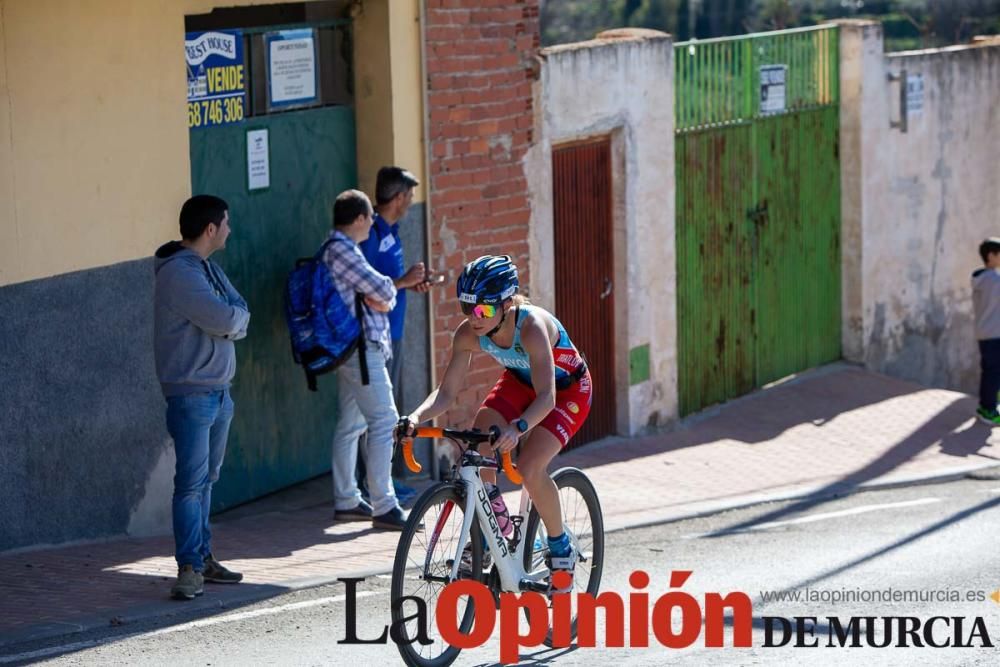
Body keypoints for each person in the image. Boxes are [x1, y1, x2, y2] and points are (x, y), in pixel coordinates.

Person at [396, 255, 592, 592]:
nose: (474, 319)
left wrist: (518, 429)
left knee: (530, 467)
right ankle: (494, 526)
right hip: (519, 382)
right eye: (466, 308)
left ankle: (561, 548)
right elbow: (446, 394)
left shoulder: (531, 328)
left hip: (566, 390)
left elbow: (546, 397)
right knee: (479, 434)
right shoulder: (468, 334)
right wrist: (415, 417)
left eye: (483, 311)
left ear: (506, 304)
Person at [154, 194, 249, 600]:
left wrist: (231, 321)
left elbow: (240, 308)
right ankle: (189, 567)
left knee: (207, 480)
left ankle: (203, 556)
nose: (229, 228)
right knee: (190, 485)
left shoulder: (208, 267)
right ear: (210, 228)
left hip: (219, 392)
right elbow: (227, 317)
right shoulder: (179, 273)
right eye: (225, 222)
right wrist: (231, 322)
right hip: (192, 395)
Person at [325, 189, 408, 530]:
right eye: (369, 217)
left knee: (351, 424)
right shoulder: (343, 250)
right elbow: (385, 290)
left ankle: (346, 499)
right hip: (361, 349)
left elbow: (379, 293)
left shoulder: (340, 249)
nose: (373, 222)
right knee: (386, 420)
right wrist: (383, 296)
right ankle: (384, 504)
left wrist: (380, 296)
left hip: (353, 349)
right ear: (358, 219)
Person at [356, 167, 436, 505]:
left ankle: (382, 479)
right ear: (400, 197)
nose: (411, 201)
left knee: (388, 410)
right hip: (375, 334)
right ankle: (372, 484)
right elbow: (363, 283)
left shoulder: (392, 230)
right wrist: (403, 281)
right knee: (377, 413)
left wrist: (410, 283)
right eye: (410, 195)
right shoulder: (372, 234)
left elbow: (389, 281)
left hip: (394, 331)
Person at [973, 237, 1000, 425]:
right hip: (994, 333)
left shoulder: (980, 277)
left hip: (985, 332)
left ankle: (986, 406)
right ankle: (988, 410)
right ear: (991, 256)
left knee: (989, 372)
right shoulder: (993, 280)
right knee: (993, 373)